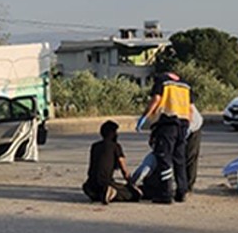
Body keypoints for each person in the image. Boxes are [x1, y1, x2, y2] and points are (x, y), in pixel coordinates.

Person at [139, 70, 193, 204]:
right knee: (179, 159)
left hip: (168, 123)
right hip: (183, 124)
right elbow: (190, 108)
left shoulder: (162, 80)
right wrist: (187, 126)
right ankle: (182, 191)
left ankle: (165, 193)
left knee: (164, 158)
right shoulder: (185, 85)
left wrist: (144, 116)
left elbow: (156, 99)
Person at [82, 120, 141, 205]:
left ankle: (99, 193)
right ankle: (112, 193)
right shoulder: (116, 147)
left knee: (90, 187)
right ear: (113, 134)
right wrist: (132, 184)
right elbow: (124, 170)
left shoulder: (94, 146)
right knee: (134, 194)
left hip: (91, 183)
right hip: (105, 182)